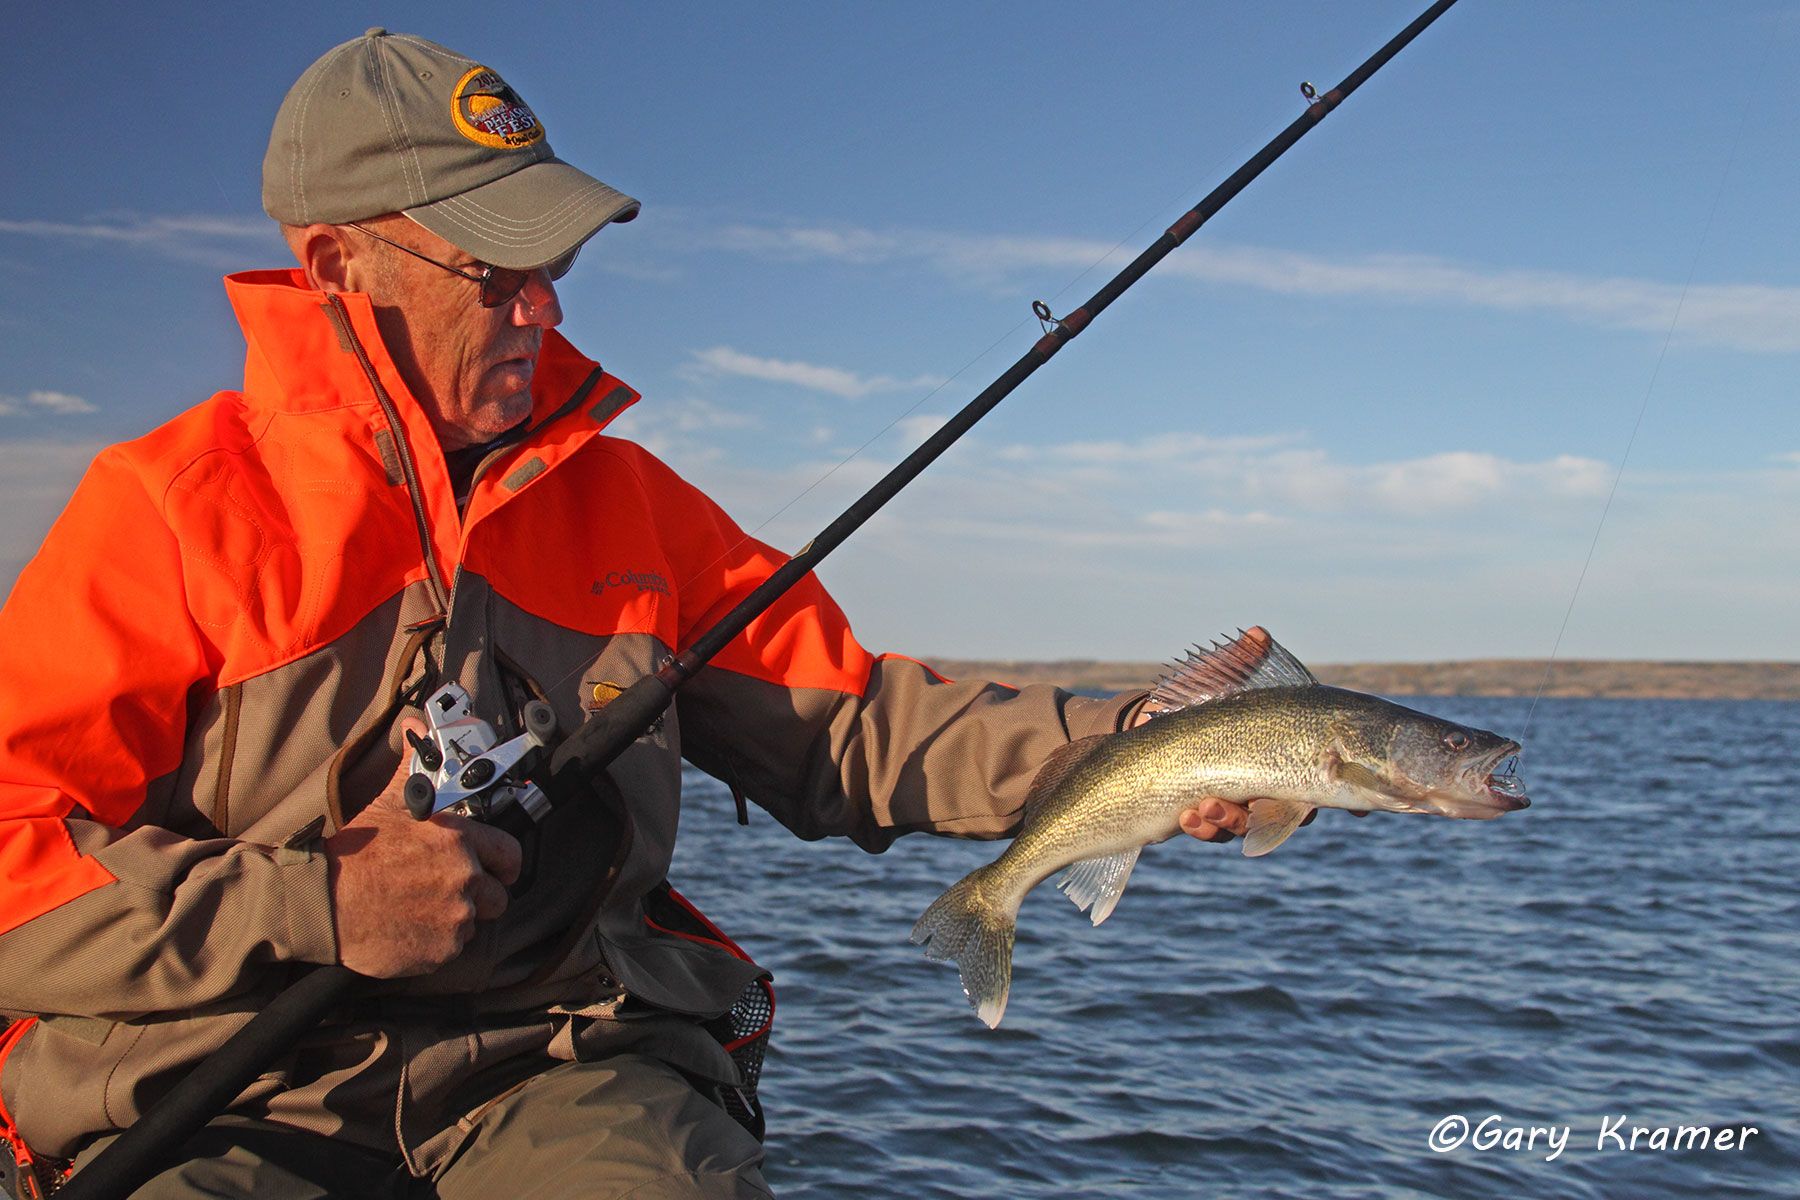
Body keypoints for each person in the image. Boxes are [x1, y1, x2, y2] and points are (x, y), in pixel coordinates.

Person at [0, 30, 1251, 1200]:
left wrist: (1133, 737)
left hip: (561, 1057)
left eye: (553, 268)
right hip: (228, 1092)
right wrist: (313, 906)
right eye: (492, 272)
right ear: (337, 267)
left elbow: (851, 727)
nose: (541, 309)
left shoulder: (638, 507)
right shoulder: (168, 510)